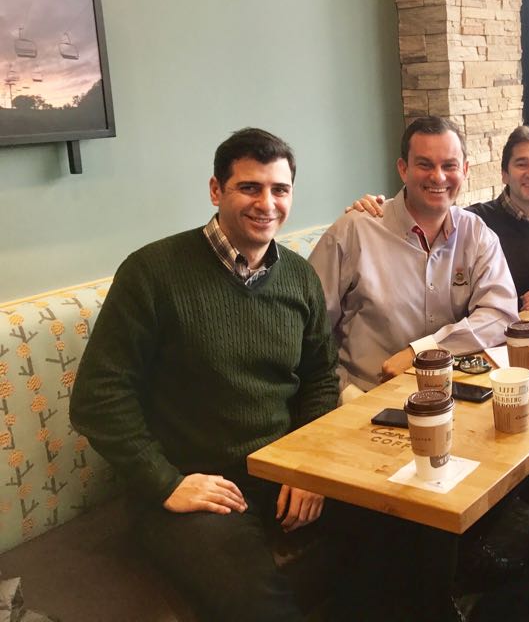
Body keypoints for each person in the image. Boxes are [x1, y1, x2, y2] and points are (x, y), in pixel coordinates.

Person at [69, 128, 339, 622]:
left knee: (400, 526)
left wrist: (308, 466)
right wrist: (165, 482)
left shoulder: (299, 276)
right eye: (249, 187)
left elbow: (320, 378)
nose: (267, 204)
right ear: (216, 190)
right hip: (193, 485)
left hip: (281, 470)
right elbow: (98, 397)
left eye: (279, 190)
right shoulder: (152, 272)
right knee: (259, 608)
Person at [308, 115, 519, 398]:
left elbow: (501, 315)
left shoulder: (476, 234)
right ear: (403, 169)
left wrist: (421, 351)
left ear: (465, 170)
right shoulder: (355, 230)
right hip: (366, 395)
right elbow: (310, 330)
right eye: (425, 164)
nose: (438, 177)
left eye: (449, 165)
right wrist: (345, 393)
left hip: (450, 395)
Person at [346, 124, 529, 310]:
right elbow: (428, 220)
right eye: (521, 164)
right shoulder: (475, 223)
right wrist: (382, 206)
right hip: (482, 337)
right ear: (504, 174)